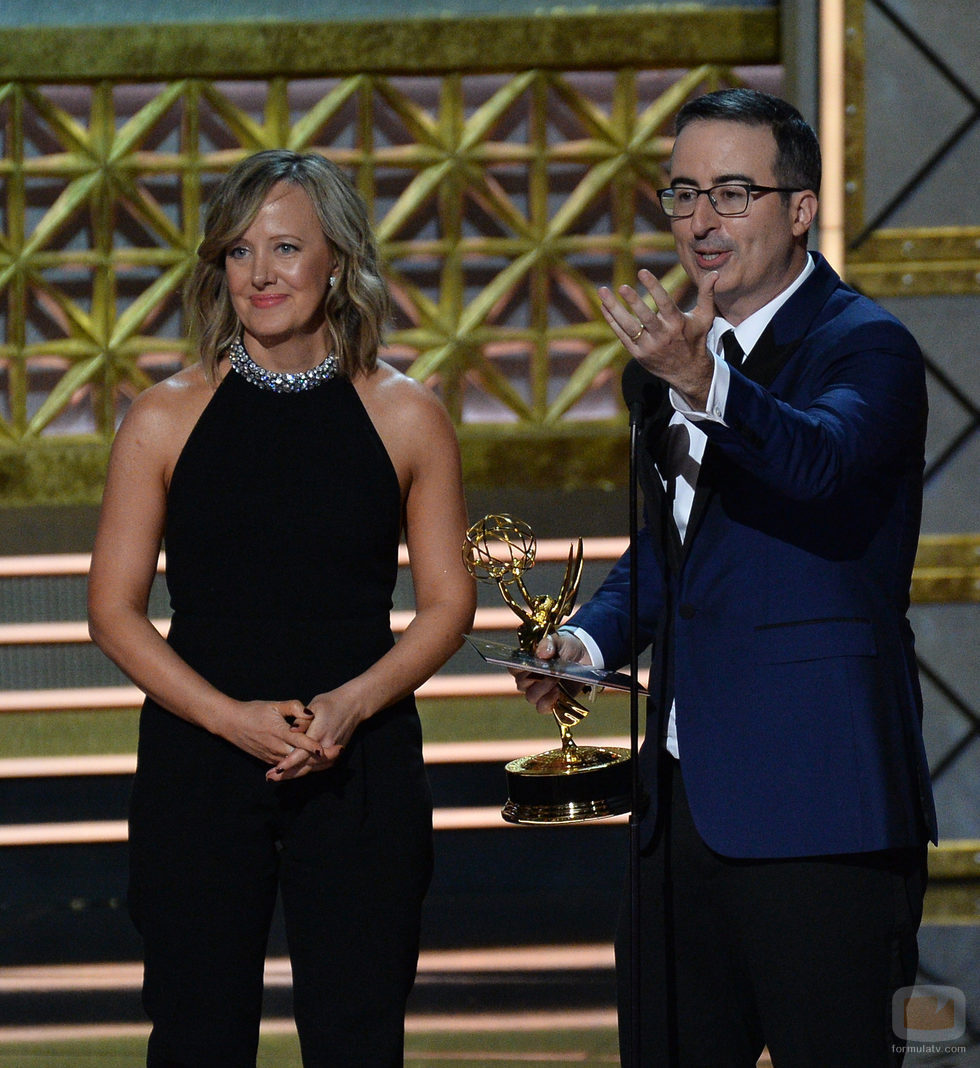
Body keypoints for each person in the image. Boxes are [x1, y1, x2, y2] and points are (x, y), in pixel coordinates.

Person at [513, 89, 936, 1067]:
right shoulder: (665, 368)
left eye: (732, 193)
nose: (700, 221)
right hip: (678, 815)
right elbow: (671, 555)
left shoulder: (862, 344)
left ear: (798, 209)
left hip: (818, 811)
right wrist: (584, 644)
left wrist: (703, 381)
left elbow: (818, 463)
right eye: (682, 194)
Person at [88, 149, 476, 1067]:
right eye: (238, 251)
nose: (259, 274)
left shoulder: (407, 415)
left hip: (361, 764)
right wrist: (232, 720)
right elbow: (112, 610)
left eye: (286, 248)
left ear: (336, 260)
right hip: (200, 767)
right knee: (196, 1039)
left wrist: (350, 704)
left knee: (357, 1039)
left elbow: (448, 604)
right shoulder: (163, 417)